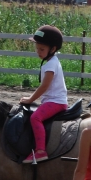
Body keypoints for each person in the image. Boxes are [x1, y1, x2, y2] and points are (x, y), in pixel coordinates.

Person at [20, 25, 68, 164]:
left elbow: (44, 86)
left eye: (42, 49)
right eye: (37, 49)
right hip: (53, 100)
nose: (38, 52)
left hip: (56, 102)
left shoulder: (51, 65)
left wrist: (30, 99)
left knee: (35, 118)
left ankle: (40, 151)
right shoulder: (51, 62)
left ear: (52, 49)